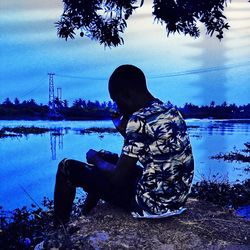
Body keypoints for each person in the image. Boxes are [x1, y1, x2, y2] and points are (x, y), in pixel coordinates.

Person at [54, 64, 194, 224]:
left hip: (151, 205)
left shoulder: (138, 119)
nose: (117, 107)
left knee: (66, 167)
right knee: (107, 159)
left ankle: (59, 231)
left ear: (127, 95)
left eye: (117, 101)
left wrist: (95, 160)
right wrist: (123, 128)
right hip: (177, 199)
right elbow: (149, 151)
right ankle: (85, 217)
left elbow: (117, 179)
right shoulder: (170, 111)